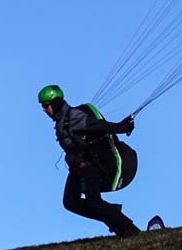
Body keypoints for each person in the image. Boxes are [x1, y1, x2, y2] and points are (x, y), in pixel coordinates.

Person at [38, 84, 141, 237]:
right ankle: (111, 212)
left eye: (46, 105)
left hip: (89, 167)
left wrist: (119, 127)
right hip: (77, 168)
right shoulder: (61, 121)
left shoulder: (73, 116)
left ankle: (130, 230)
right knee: (70, 202)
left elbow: (97, 126)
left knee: (94, 202)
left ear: (56, 103)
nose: (44, 110)